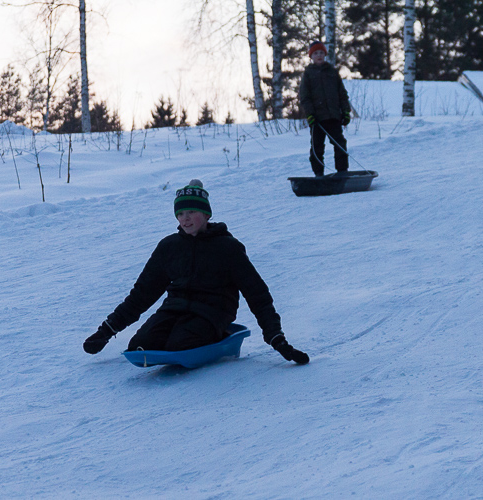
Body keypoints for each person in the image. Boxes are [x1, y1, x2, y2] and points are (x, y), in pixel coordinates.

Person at [83, 180, 309, 365]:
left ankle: (222, 336)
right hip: (174, 310)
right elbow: (141, 294)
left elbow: (257, 294)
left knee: (180, 345)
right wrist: (106, 331)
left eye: (192, 211)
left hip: (212, 313)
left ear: (206, 214)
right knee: (140, 346)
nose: (185, 218)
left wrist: (276, 337)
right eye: (180, 213)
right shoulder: (169, 247)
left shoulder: (227, 248)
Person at [299, 40, 352, 177]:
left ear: (325, 55)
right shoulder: (308, 74)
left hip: (333, 116)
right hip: (317, 118)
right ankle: (319, 173)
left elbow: (342, 94)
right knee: (317, 147)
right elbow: (305, 97)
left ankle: (342, 171)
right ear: (311, 56)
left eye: (321, 53)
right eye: (316, 53)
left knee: (340, 143)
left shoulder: (332, 72)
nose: (319, 55)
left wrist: (345, 111)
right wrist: (310, 114)